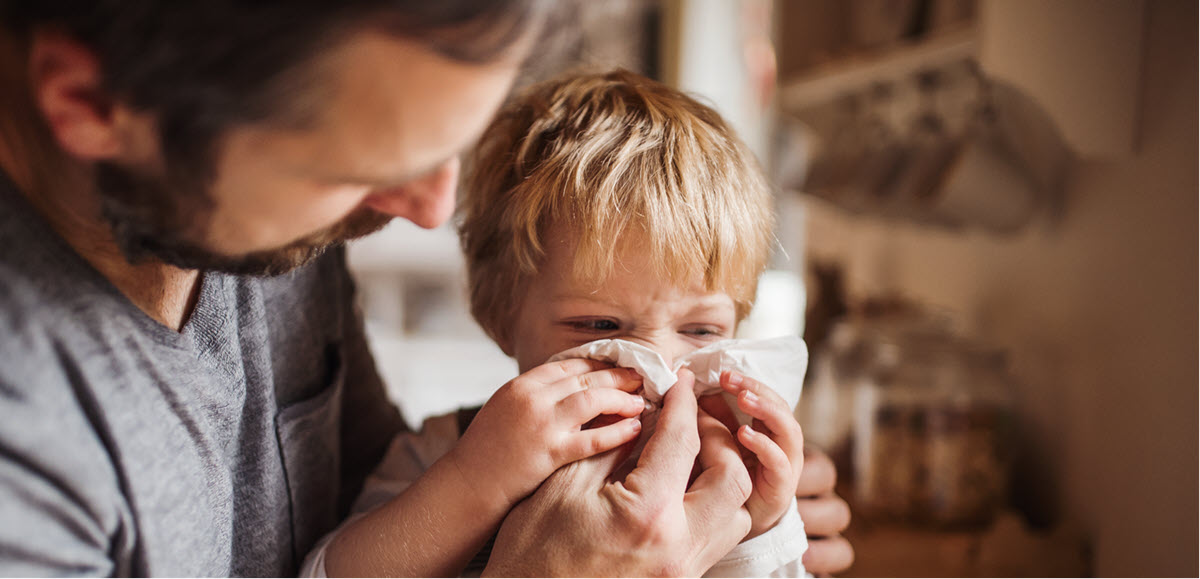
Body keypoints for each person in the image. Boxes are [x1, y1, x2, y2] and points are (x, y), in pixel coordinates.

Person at [0, 1, 852, 576]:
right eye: (359, 164)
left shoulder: (273, 224)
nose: (430, 210)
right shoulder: (27, 452)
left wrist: (766, 527)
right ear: (90, 103)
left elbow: (356, 485)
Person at [307, 69, 810, 577]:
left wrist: (758, 528)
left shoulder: (725, 465)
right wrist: (475, 481)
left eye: (701, 332)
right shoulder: (450, 452)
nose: (662, 370)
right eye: (597, 325)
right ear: (500, 317)